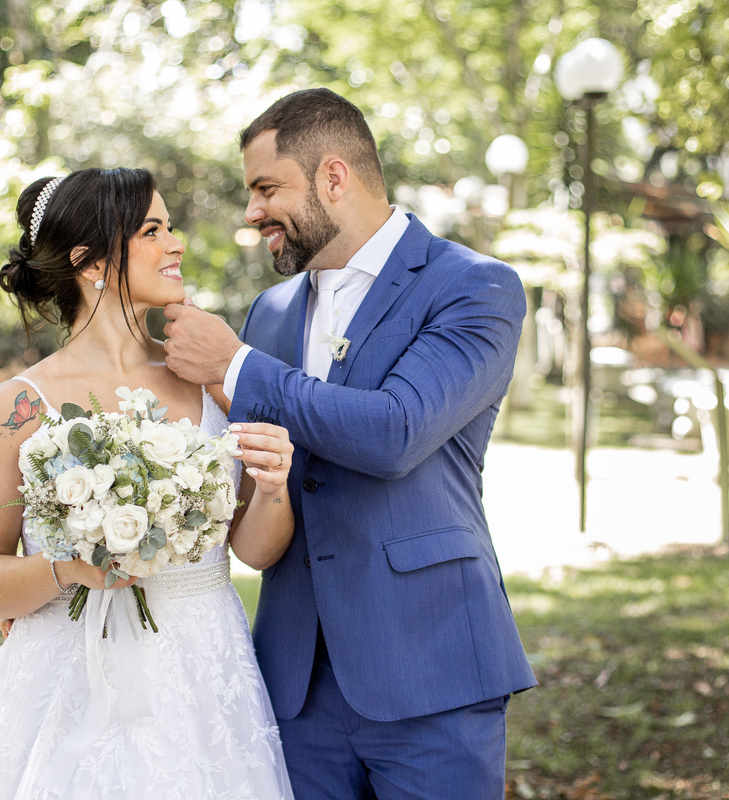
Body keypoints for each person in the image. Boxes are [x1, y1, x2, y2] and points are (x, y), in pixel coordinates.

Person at [163, 88, 538, 800]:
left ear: (333, 177)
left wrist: (237, 366)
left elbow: (396, 431)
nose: (251, 213)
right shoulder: (269, 313)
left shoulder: (474, 288)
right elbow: (250, 483)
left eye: (266, 188)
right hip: (296, 683)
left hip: (433, 670)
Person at [0, 167, 296, 800]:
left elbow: (255, 550)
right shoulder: (16, 408)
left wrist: (274, 485)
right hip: (69, 678)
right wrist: (71, 569)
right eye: (152, 230)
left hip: (203, 676)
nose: (176, 243)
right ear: (91, 262)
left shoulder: (207, 379)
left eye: (171, 227)